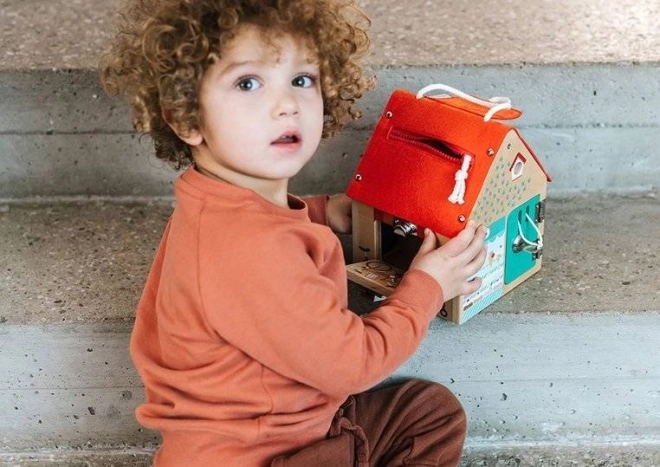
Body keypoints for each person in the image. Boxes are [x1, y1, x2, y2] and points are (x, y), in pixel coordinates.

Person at [100, 0, 487, 465]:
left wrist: (328, 213)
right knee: (427, 421)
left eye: (302, 80)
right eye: (248, 83)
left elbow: (270, 226)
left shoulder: (217, 204)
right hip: (265, 455)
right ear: (187, 120)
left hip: (279, 429)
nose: (286, 105)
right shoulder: (250, 251)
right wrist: (427, 287)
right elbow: (354, 363)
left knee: (426, 414)